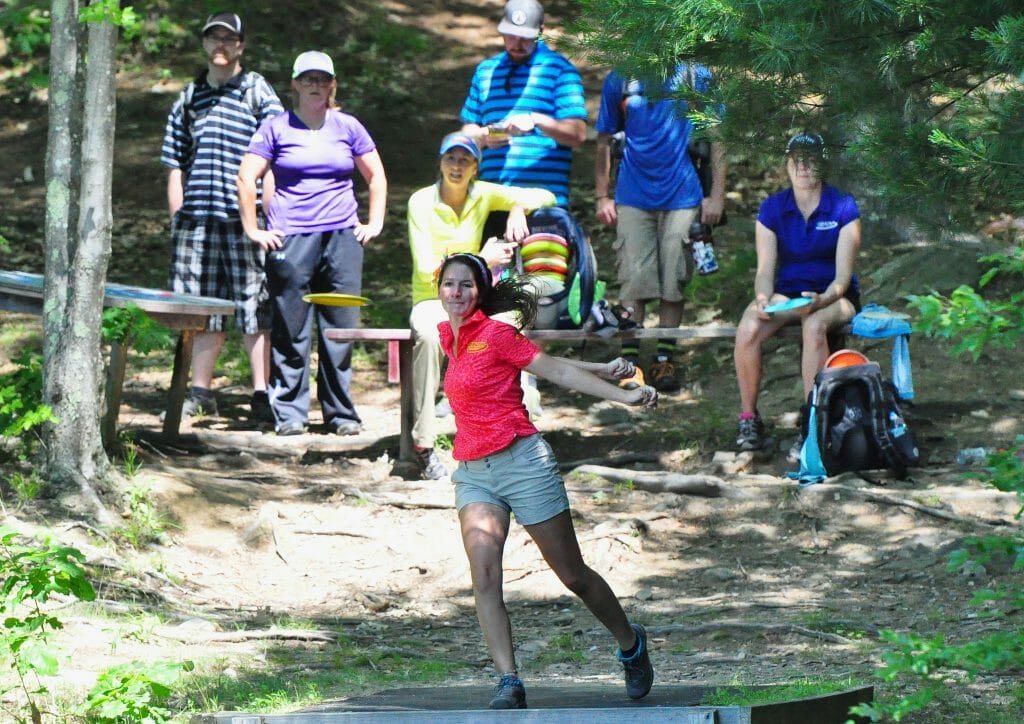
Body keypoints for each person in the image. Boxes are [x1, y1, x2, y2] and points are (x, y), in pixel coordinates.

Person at [436, 252, 657, 710]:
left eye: (465, 286)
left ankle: (631, 645)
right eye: (449, 284)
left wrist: (624, 396)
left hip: (523, 462)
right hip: (474, 474)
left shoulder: (496, 333)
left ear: (481, 292)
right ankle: (508, 681)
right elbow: (541, 359)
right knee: (485, 577)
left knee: (572, 575)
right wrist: (601, 369)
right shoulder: (447, 336)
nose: (455, 293)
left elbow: (550, 369)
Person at [237, 51, 387, 436]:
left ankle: (341, 415)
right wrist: (254, 229)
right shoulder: (276, 127)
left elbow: (376, 176)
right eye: (308, 79)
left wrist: (374, 223)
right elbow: (246, 176)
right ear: (295, 85)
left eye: (322, 79)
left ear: (332, 85)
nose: (315, 85)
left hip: (342, 235)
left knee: (340, 327)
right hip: (291, 235)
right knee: (291, 327)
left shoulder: (347, 126)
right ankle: (289, 413)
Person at [407, 133, 556, 479]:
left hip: (471, 301)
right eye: (450, 159)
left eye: (464, 160)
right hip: (431, 298)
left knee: (509, 327)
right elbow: (426, 265)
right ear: (440, 162)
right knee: (430, 337)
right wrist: (480, 258)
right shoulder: (420, 202)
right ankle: (423, 445)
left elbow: (547, 195)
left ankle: (512, 436)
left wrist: (519, 206)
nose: (456, 167)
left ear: (475, 167)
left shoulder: (484, 193)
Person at [160, 11, 283, 424]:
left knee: (254, 305)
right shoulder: (191, 95)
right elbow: (174, 160)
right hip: (196, 222)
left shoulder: (256, 90)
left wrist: (267, 212)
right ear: (204, 44)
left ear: (241, 46)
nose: (221, 46)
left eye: (228, 40)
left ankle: (261, 393)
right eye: (213, 39)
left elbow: (276, 153)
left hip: (243, 219)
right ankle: (199, 390)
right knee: (198, 308)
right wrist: (178, 213)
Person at [594, 62, 727, 393]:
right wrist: (601, 196)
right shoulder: (621, 78)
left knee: (674, 276)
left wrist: (717, 196)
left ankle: (664, 358)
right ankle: (630, 363)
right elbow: (604, 138)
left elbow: (719, 135)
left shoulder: (698, 76)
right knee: (634, 278)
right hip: (632, 194)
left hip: (682, 193)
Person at [733, 132, 861, 456]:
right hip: (789, 295)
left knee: (814, 325)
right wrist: (763, 300)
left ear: (822, 165)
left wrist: (822, 300)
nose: (803, 168)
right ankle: (749, 418)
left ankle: (812, 420)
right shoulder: (773, 208)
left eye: (811, 161)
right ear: (787, 166)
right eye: (797, 161)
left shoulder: (843, 206)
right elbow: (764, 271)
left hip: (834, 298)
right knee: (748, 327)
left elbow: (842, 280)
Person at [459, 0, 586, 238]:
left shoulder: (559, 70)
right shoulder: (486, 71)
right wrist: (486, 136)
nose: (517, 44)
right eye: (512, 35)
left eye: (526, 37)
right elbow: (467, 131)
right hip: (492, 201)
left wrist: (537, 121)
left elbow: (578, 133)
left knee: (544, 275)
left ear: (540, 31)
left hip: (545, 202)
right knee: (494, 275)